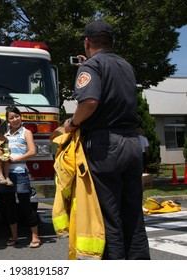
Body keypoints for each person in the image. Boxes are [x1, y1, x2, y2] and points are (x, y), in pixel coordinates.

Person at [63, 20, 150, 259]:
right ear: (112, 42)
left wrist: (71, 123)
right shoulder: (126, 65)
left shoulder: (91, 66)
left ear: (87, 41)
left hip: (105, 144)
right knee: (132, 213)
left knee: (107, 214)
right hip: (132, 143)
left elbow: (90, 101)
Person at [0, 105, 41, 248]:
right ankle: (14, 237)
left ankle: (35, 237)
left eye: (17, 116)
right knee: (9, 207)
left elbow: (33, 151)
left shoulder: (26, 132)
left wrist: (16, 159)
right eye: (11, 117)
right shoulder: (6, 136)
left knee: (25, 205)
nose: (15, 119)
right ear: (7, 120)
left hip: (21, 173)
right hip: (8, 175)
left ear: (20, 117)